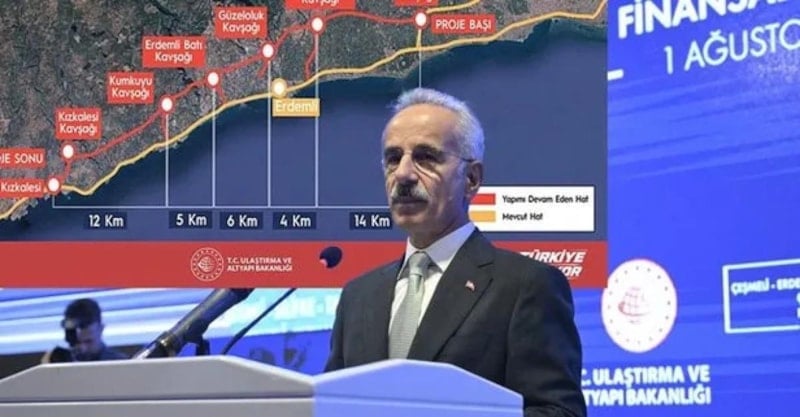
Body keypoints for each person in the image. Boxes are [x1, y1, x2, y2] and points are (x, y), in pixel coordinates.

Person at [325, 88, 586, 417]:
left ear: (472, 178)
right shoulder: (358, 296)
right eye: (393, 158)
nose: (403, 174)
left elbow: (559, 412)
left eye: (425, 157)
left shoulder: (526, 286)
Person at [41, 298, 128, 363]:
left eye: (88, 342)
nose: (83, 348)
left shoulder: (120, 364)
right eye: (76, 343)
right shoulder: (60, 362)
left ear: (101, 329)